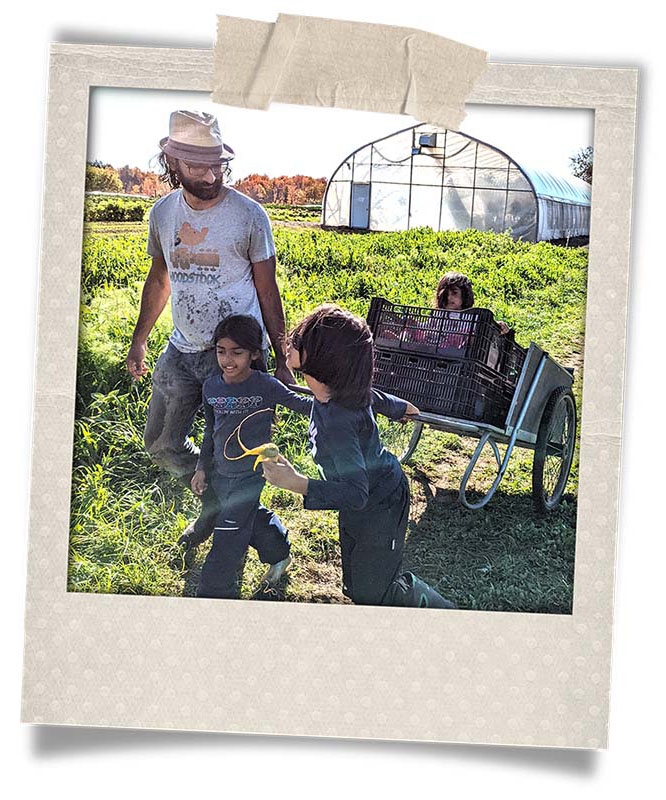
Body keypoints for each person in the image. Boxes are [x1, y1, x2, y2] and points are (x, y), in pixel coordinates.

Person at [125, 110, 294, 552]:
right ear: (172, 163)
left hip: (234, 357)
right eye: (197, 164)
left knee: (234, 454)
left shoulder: (249, 216)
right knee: (160, 444)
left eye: (216, 161)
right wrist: (140, 339)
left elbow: (267, 289)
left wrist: (283, 354)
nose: (210, 172)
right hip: (181, 350)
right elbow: (160, 278)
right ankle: (219, 503)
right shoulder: (162, 214)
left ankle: (231, 529)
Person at [262, 305, 455, 609]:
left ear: (326, 358)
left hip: (381, 503)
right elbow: (371, 396)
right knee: (357, 583)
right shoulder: (336, 393)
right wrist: (396, 406)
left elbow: (356, 493)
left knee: (375, 590)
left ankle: (442, 612)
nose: (291, 341)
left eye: (301, 339)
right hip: (359, 500)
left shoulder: (338, 421)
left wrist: (297, 483)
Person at [194, 315, 312, 599]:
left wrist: (340, 400)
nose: (228, 360)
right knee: (247, 515)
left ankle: (214, 593)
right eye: (221, 351)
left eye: (237, 352)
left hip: (250, 476)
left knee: (228, 537)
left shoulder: (265, 385)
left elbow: (302, 405)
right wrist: (201, 468)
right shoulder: (211, 387)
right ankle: (279, 551)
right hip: (221, 474)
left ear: (254, 353)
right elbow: (211, 432)